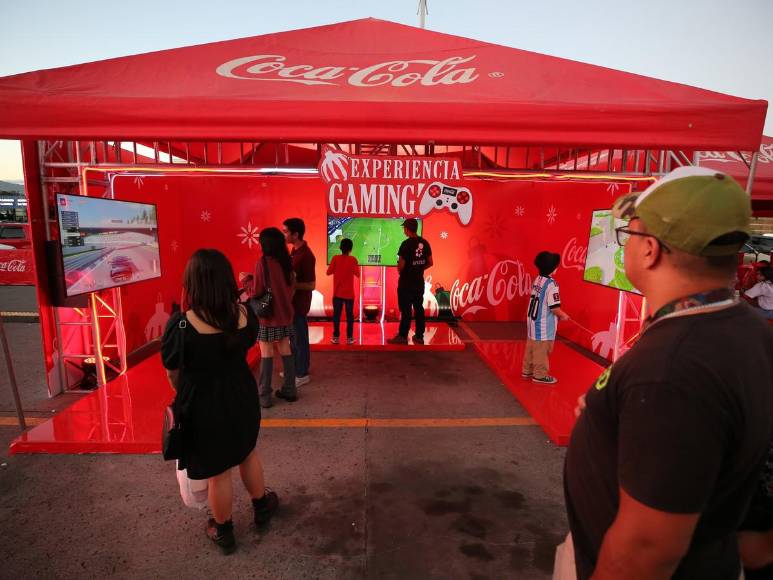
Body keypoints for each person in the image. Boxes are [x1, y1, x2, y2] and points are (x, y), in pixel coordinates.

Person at [564, 167, 773, 579]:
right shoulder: (744, 328)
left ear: (650, 250)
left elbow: (646, 550)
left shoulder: (673, 369)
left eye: (631, 234)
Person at [161, 249, 278, 555]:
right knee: (247, 452)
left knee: (218, 470)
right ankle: (262, 506)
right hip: (242, 396)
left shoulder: (182, 325)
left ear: (193, 283)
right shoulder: (244, 316)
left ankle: (223, 530)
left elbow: (173, 373)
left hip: (203, 404)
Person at [254, 227, 297, 407]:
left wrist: (245, 281)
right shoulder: (287, 262)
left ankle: (264, 395)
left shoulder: (263, 263)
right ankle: (289, 389)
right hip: (285, 314)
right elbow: (291, 288)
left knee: (266, 351)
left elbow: (257, 291)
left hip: (269, 316)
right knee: (285, 348)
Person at [522, 251, 569, 384]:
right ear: (552, 268)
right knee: (542, 351)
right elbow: (554, 307)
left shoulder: (537, 279)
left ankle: (527, 370)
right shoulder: (552, 285)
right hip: (543, 326)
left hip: (532, 322)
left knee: (531, 347)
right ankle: (540, 375)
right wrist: (563, 315)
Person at [388, 218, 433, 345]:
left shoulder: (405, 244)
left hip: (406, 283)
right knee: (419, 308)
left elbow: (401, 266)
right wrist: (418, 268)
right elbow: (430, 262)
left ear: (407, 229)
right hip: (419, 282)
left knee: (406, 310)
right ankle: (419, 336)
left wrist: (402, 268)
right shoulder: (425, 242)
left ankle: (402, 336)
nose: (404, 230)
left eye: (404, 228)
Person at [283, 218, 315, 387]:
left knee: (300, 339)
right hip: (291, 304)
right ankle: (296, 369)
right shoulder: (294, 252)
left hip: (299, 305)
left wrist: (290, 284)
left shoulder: (306, 255)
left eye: (286, 231)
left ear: (295, 234)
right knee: (294, 339)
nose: (284, 234)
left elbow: (311, 285)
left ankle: (302, 373)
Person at [326, 237, 360, 344]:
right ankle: (349, 338)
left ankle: (336, 337)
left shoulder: (335, 258)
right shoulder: (353, 260)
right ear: (350, 249)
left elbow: (328, 272)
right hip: (349, 294)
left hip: (337, 293)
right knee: (350, 317)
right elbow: (357, 274)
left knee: (336, 316)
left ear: (340, 247)